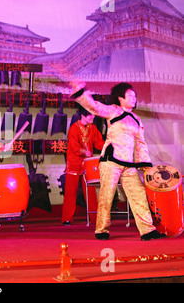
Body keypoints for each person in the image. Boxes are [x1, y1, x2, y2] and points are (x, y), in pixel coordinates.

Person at [71, 82, 166, 241]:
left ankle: (147, 230)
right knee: (106, 195)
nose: (134, 98)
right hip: (111, 160)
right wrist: (80, 93)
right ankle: (102, 230)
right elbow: (94, 106)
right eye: (130, 96)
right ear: (120, 98)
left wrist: (144, 165)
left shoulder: (136, 119)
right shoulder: (114, 110)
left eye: (135, 96)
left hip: (129, 164)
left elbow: (140, 143)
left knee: (139, 195)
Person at [61, 106, 105, 225]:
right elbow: (74, 146)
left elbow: (98, 143)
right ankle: (67, 218)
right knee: (71, 191)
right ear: (83, 115)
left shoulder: (93, 128)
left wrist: (108, 145)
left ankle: (96, 218)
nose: (93, 116)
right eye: (90, 115)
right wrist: (83, 151)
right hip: (74, 163)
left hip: (87, 164)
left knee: (90, 191)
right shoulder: (73, 129)